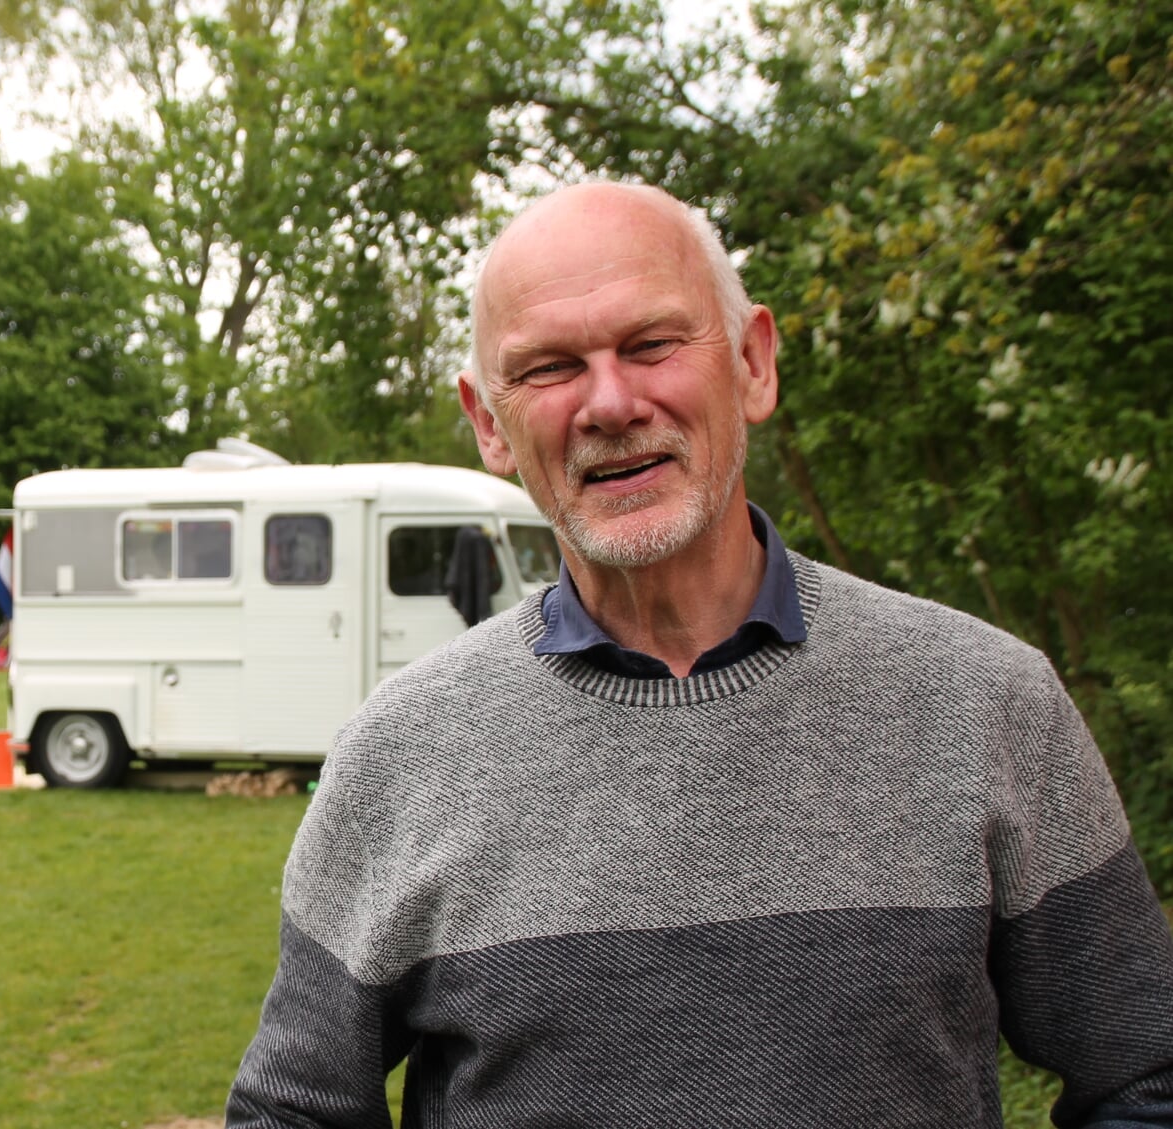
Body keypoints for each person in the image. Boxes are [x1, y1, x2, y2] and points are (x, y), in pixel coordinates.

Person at [226, 182, 1173, 1128]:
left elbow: (1145, 1078)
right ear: (488, 422)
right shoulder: (400, 754)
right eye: (551, 368)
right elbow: (292, 1111)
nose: (609, 402)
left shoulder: (985, 705)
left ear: (754, 363)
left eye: (652, 345)